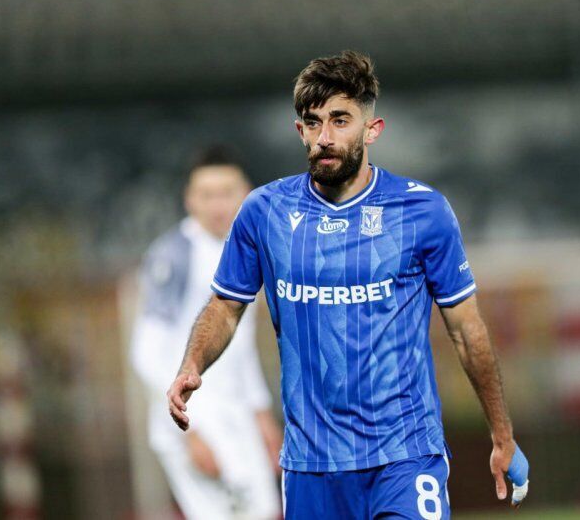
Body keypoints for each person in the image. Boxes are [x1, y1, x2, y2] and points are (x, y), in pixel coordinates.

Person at [167, 52, 529, 519]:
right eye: (313, 123)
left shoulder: (423, 213)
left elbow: (465, 329)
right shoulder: (264, 212)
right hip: (312, 467)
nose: (325, 137)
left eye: (340, 120)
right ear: (300, 131)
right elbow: (226, 305)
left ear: (372, 129)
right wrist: (192, 363)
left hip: (405, 454)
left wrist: (502, 433)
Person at [130, 147, 282, 520]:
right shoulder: (175, 255)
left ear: (246, 193)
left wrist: (261, 415)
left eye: (226, 193)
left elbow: (239, 348)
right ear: (189, 199)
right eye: (206, 195)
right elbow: (146, 352)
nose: (217, 205)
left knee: (265, 511)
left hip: (236, 414)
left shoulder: (247, 249)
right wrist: (189, 432)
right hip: (196, 420)